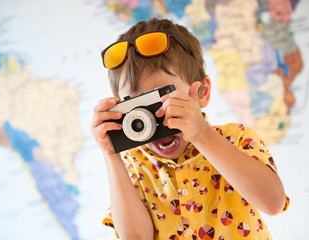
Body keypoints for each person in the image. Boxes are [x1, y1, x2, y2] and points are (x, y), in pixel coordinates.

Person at [91, 18, 289, 240]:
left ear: (202, 92)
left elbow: (273, 203)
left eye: (162, 97)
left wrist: (202, 134)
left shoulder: (236, 138)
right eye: (137, 106)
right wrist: (111, 155)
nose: (152, 116)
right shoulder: (131, 166)